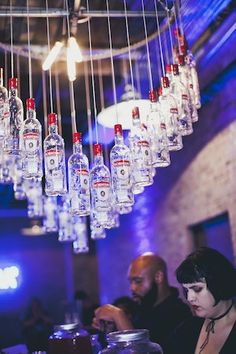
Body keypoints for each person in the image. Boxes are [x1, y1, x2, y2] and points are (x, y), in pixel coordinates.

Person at [93, 252, 192, 350]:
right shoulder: (142, 309)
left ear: (158, 277)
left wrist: (118, 316)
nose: (132, 288)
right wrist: (112, 330)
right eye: (131, 282)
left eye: (138, 281)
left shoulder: (179, 313)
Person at [166, 247, 236, 354]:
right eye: (186, 290)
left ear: (219, 284)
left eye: (197, 289)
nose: (190, 298)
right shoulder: (187, 329)